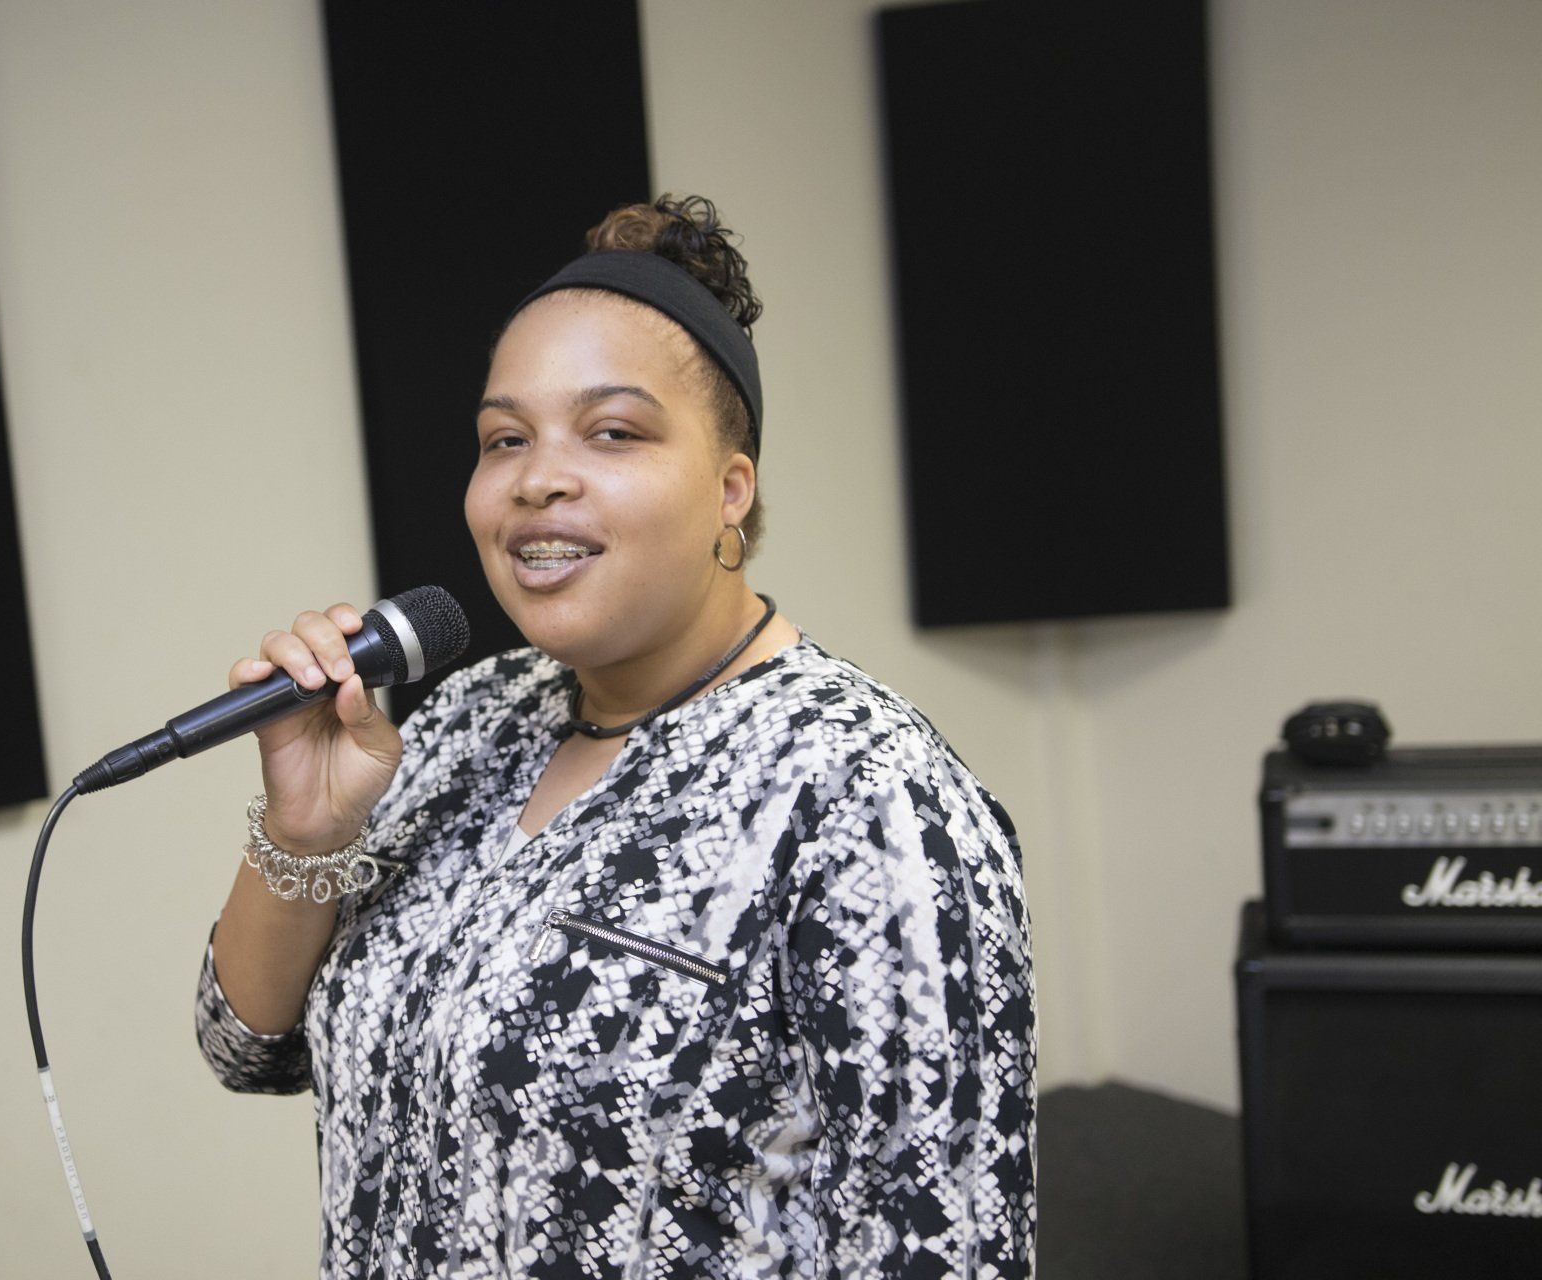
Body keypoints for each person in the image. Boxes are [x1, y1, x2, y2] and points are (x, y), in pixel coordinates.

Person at [195, 194, 1036, 1278]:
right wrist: (306, 830)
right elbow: (244, 1045)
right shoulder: (459, 721)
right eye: (506, 438)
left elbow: (947, 1251)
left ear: (733, 489)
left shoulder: (865, 796)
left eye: (614, 431)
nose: (538, 477)